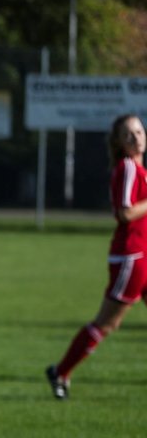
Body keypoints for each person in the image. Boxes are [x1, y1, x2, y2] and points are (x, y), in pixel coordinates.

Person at [47, 113, 147, 400]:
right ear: (118, 142)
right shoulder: (127, 168)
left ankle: (61, 372)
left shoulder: (141, 170)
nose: (136, 138)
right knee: (107, 323)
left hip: (144, 255)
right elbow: (125, 212)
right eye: (128, 134)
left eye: (139, 132)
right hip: (131, 258)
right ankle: (61, 372)